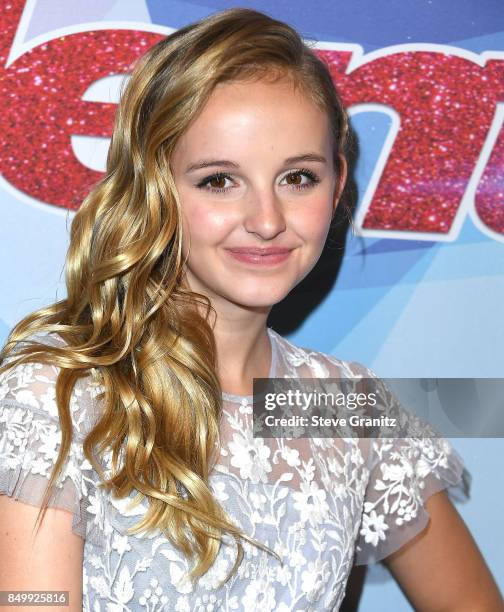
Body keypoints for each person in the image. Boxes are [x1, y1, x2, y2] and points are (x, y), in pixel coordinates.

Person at [0, 7, 502, 611]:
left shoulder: (337, 409)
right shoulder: (60, 392)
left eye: (297, 178)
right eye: (219, 180)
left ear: (337, 186)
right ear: (153, 186)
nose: (267, 220)